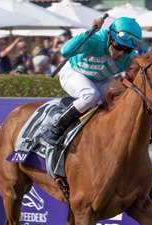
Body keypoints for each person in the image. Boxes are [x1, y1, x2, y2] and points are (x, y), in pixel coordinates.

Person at [45, 16, 142, 144]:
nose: (121, 53)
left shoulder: (130, 58)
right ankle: (56, 127)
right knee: (90, 96)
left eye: (127, 50)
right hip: (74, 72)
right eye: (118, 46)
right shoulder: (96, 39)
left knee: (122, 98)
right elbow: (65, 51)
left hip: (99, 80)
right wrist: (89, 32)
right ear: (110, 37)